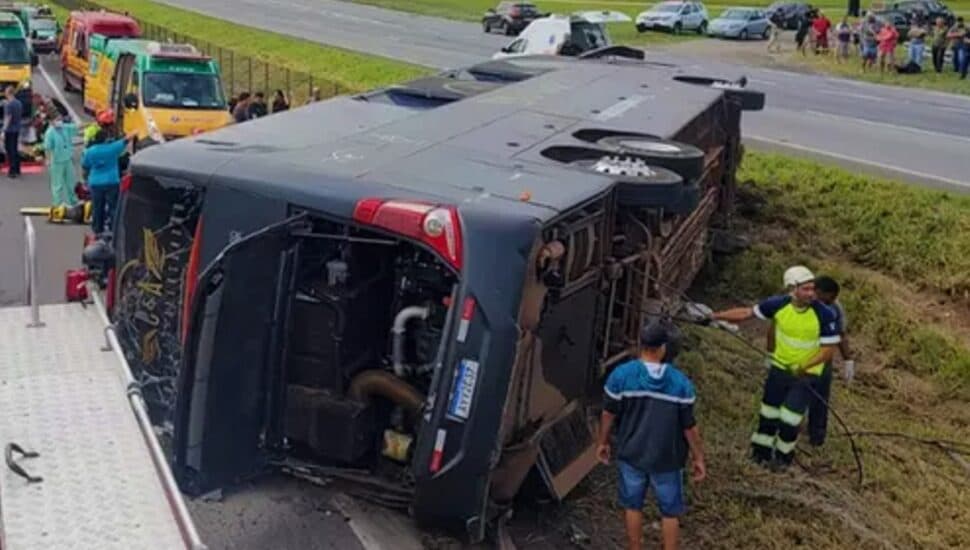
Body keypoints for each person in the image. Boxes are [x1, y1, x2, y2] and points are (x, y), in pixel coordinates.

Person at [708, 266, 840, 469]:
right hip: (779, 369)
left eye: (812, 288)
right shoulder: (778, 305)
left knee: (790, 418)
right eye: (805, 289)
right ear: (792, 289)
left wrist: (805, 365)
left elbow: (828, 350)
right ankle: (760, 453)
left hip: (805, 375)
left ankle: (782, 458)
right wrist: (714, 316)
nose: (811, 293)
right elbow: (746, 313)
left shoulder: (824, 314)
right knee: (768, 413)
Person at [597, 322, 706, 550]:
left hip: (632, 453)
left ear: (641, 344)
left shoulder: (621, 376)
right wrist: (698, 457)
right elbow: (689, 427)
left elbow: (608, 414)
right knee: (670, 511)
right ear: (663, 348)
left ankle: (635, 547)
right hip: (667, 458)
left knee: (633, 506)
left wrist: (603, 442)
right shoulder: (680, 384)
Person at [82, 129, 136, 235]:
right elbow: (125, 140)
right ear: (106, 139)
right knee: (113, 207)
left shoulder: (90, 151)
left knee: (97, 208)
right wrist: (136, 131)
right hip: (111, 182)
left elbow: (85, 165)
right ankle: (113, 230)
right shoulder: (112, 148)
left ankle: (97, 231)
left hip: (96, 183)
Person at [42, 111, 79, 207]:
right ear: (51, 121)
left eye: (60, 119)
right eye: (57, 120)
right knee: (57, 185)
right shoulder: (50, 133)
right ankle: (57, 204)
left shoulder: (65, 128)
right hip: (57, 161)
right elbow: (47, 148)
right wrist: (48, 160)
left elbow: (77, 128)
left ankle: (73, 201)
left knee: (71, 182)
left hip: (67, 159)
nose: (60, 122)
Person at [2, 86, 23, 178]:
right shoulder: (19, 103)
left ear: (8, 93)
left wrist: (3, 130)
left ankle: (12, 171)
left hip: (10, 130)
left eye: (6, 92)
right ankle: (18, 169)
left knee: (10, 150)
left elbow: (8, 118)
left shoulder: (9, 105)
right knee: (15, 148)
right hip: (17, 128)